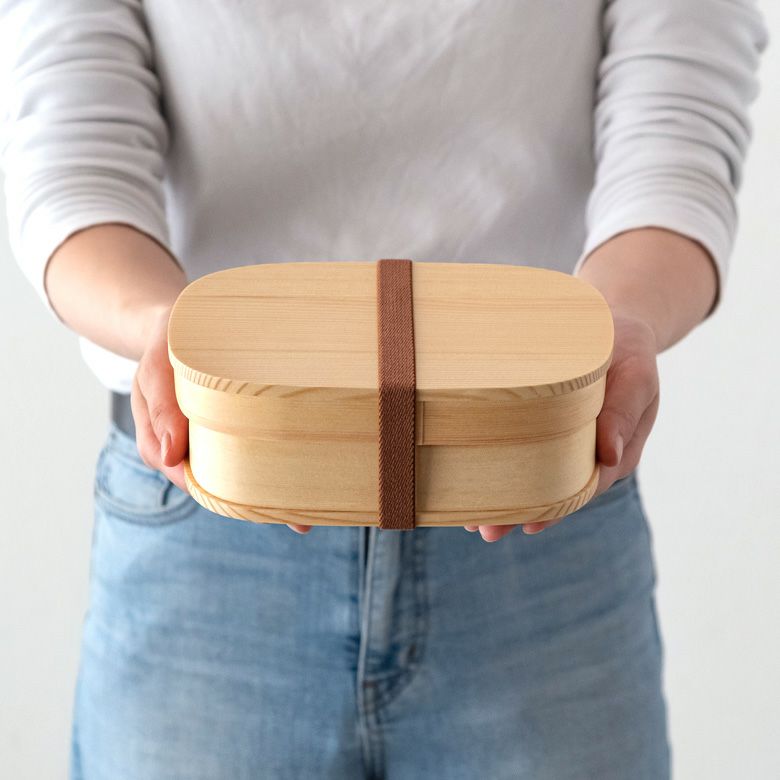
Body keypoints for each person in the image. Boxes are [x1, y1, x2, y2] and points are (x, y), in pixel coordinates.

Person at [0, 1, 768, 778]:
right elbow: (73, 160)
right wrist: (166, 331)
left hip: (539, 494)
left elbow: (676, 137)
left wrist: (619, 322)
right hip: (209, 512)